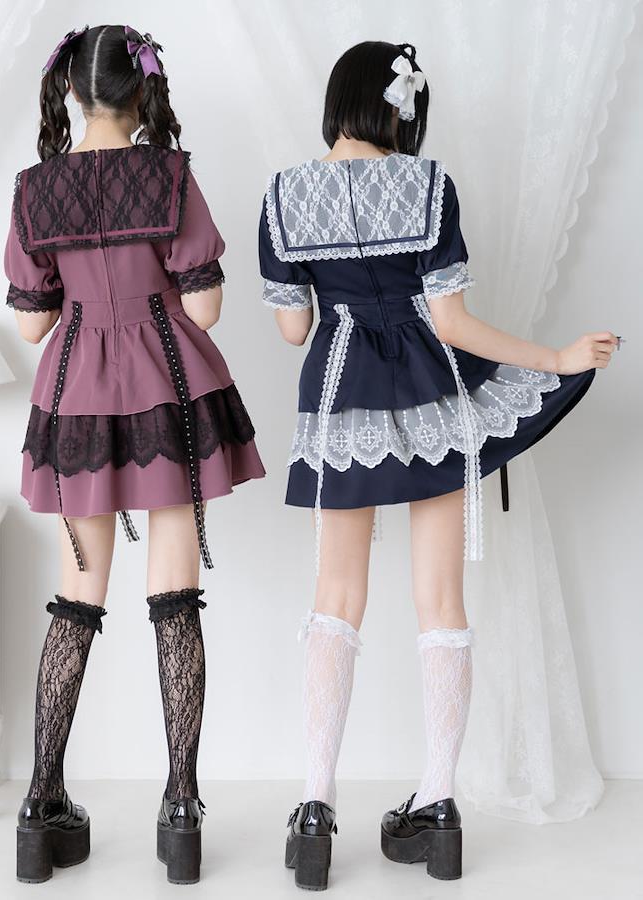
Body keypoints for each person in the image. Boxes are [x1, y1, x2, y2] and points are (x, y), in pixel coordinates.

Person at [259, 40, 617, 890]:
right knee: (442, 600)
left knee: (335, 598)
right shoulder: (428, 185)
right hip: (432, 395)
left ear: (340, 101)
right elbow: (451, 324)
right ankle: (439, 805)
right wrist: (555, 357)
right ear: (398, 109)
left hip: (340, 394)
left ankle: (315, 809)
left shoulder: (283, 194)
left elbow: (293, 330)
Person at [6, 24, 264, 886]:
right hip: (169, 398)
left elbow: (33, 323)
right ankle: (181, 806)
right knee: (175, 598)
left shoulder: (36, 189)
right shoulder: (169, 175)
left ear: (73, 93)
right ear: (141, 89)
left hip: (76, 400)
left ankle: (41, 804)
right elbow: (208, 310)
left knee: (77, 599)